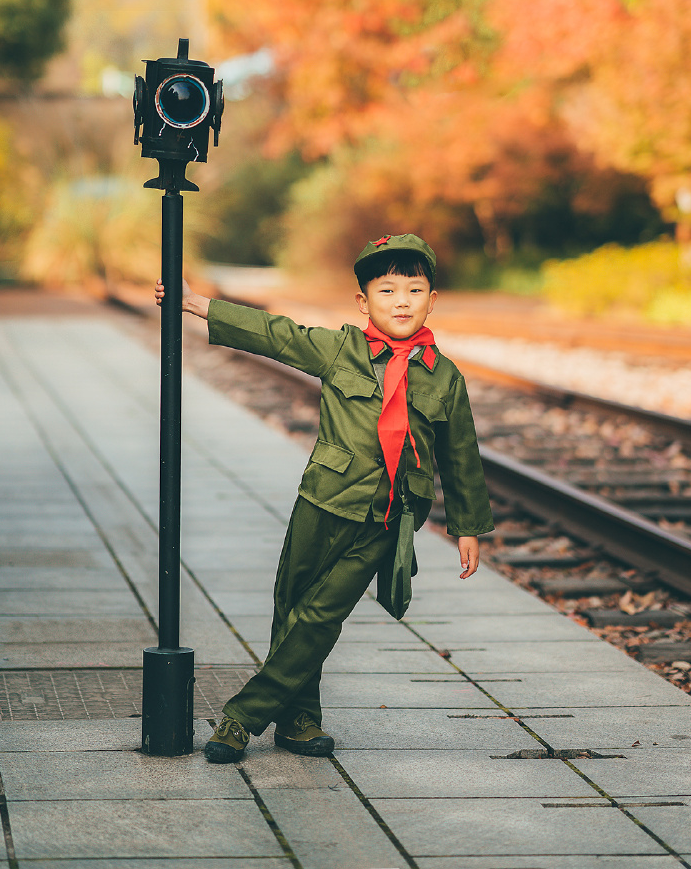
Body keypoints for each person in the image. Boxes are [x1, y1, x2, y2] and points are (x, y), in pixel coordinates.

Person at [154, 232, 493, 763]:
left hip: (388, 518)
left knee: (320, 615)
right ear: (364, 302)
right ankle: (299, 721)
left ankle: (242, 717)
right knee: (293, 607)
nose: (401, 301)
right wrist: (195, 303)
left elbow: (461, 455)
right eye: (386, 290)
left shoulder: (444, 378)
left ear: (433, 299)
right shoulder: (342, 350)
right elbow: (276, 333)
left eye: (414, 289)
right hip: (324, 501)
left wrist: (467, 527)